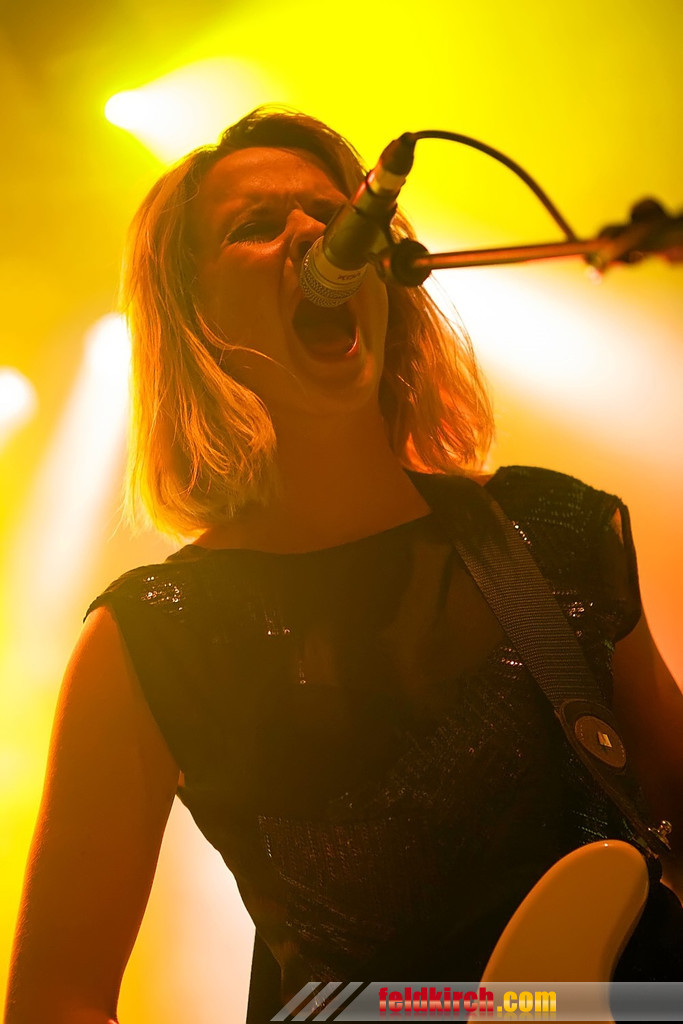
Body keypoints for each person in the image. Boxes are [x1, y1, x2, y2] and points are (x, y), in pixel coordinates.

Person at [5, 107, 683, 1024]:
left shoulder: (547, 528)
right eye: (254, 227)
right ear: (193, 318)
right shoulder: (154, 636)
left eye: (331, 214)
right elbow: (55, 999)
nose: (312, 236)